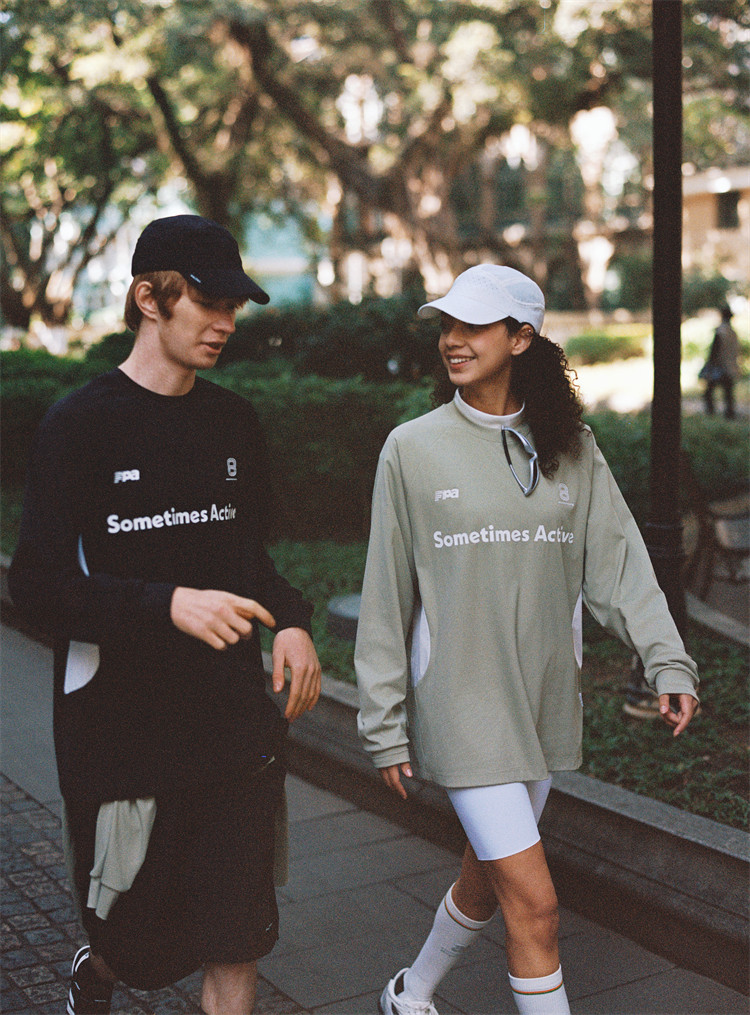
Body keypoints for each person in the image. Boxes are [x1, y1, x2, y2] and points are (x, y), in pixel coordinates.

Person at [354, 264, 699, 1015]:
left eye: (473, 326)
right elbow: (386, 595)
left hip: (543, 701)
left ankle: (409, 993)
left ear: (521, 337)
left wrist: (666, 657)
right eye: (446, 325)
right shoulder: (411, 449)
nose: (452, 340)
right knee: (536, 904)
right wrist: (382, 723)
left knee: (489, 872)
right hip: (461, 702)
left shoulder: (571, 446)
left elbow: (619, 563)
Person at [8, 214, 322, 1015]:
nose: (226, 323)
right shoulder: (77, 425)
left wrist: (289, 618)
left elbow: (247, 558)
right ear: (150, 297)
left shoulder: (232, 422)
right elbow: (34, 585)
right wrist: (165, 604)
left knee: (235, 937)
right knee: (140, 947)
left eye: (234, 306)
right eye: (208, 303)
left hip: (233, 727)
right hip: (124, 733)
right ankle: (101, 966)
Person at [701, 304, 740, 419]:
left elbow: (714, 351)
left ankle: (711, 414)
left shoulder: (721, 331)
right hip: (731, 367)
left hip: (720, 367)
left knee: (709, 393)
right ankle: (729, 416)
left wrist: (710, 366)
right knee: (728, 395)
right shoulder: (733, 333)